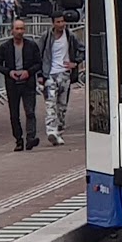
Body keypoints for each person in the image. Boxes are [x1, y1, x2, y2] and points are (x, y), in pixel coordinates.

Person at [0, 20, 42, 152]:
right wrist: (10, 72)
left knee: (30, 111)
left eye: (22, 29)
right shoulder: (5, 47)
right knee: (14, 114)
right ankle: (18, 139)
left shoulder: (31, 46)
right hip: (13, 84)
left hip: (28, 83)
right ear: (12, 30)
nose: (20, 31)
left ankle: (31, 138)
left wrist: (29, 72)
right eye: (17, 29)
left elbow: (38, 63)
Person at [39, 12, 83, 146]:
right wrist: (40, 75)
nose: (61, 24)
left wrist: (75, 62)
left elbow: (82, 49)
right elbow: (38, 55)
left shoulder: (70, 36)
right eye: (58, 22)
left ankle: (59, 131)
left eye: (62, 22)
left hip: (65, 75)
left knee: (62, 106)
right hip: (50, 75)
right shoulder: (46, 37)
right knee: (50, 104)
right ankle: (51, 131)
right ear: (53, 23)